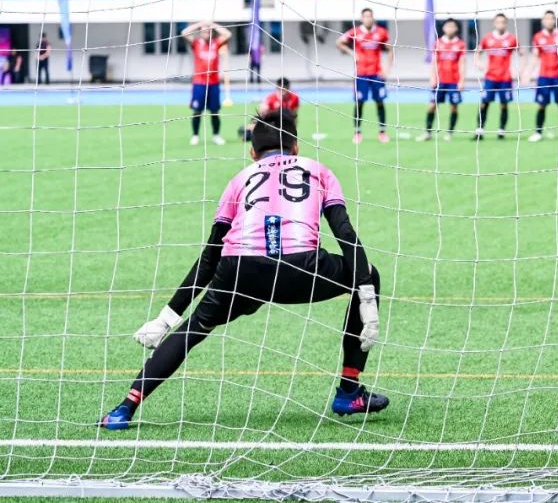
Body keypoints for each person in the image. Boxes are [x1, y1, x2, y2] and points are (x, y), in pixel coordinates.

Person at [100, 110, 387, 430]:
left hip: (239, 269)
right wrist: (365, 292)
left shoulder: (239, 181)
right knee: (368, 274)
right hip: (301, 269)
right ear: (296, 148)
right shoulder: (318, 171)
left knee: (195, 327)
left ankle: (124, 408)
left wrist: (165, 317)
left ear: (252, 153)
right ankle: (348, 390)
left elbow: (210, 256)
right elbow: (344, 232)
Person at [337, 8, 393, 144]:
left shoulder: (381, 32)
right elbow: (339, 42)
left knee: (380, 102)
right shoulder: (355, 32)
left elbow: (391, 49)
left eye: (370, 16)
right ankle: (357, 132)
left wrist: (387, 69)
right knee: (359, 102)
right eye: (365, 16)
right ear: (362, 18)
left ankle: (382, 132)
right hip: (361, 74)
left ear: (373, 18)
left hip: (377, 73)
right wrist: (352, 53)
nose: (368, 19)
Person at [524, 10, 558, 143]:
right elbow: (535, 56)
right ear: (543, 21)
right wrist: (527, 73)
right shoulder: (537, 37)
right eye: (546, 19)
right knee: (541, 105)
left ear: (555, 20)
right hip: (544, 77)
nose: (549, 21)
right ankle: (538, 133)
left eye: (551, 19)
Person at [181, 21, 232, 146]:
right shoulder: (196, 43)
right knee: (197, 110)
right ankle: (195, 135)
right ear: (200, 32)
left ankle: (216, 135)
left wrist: (212, 24)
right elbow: (184, 33)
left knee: (214, 111)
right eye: (204, 31)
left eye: (208, 31)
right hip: (199, 83)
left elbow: (228, 34)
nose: (206, 33)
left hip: (214, 83)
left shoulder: (216, 43)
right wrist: (200, 24)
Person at [419, 18, 467, 142]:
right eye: (448, 26)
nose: (450, 28)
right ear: (444, 28)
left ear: (456, 28)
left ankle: (450, 133)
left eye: (452, 26)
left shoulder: (460, 44)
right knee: (432, 106)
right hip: (440, 81)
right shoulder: (438, 43)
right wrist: (432, 77)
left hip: (454, 81)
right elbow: (434, 62)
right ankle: (428, 132)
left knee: (454, 107)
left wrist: (462, 80)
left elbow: (462, 63)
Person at [474, 13, 519, 141]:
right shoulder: (487, 38)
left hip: (505, 78)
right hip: (490, 77)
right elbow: (477, 53)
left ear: (506, 23)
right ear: (494, 23)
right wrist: (479, 63)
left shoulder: (511, 39)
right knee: (484, 103)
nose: (501, 24)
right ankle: (479, 130)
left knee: (504, 104)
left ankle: (501, 131)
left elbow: (521, 54)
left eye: (503, 22)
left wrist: (519, 70)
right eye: (498, 22)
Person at [239, 77, 300, 142]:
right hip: (270, 122)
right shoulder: (271, 98)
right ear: (277, 88)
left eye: (285, 88)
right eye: (280, 88)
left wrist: (293, 132)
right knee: (248, 134)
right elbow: (261, 114)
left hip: (284, 122)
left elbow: (294, 115)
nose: (283, 91)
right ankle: (248, 128)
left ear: (288, 87)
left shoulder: (295, 98)